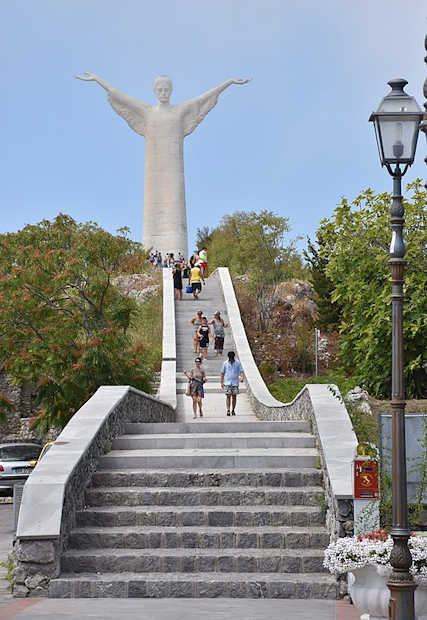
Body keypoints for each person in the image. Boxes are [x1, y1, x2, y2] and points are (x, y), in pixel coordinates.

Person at [220, 351, 244, 416]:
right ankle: (228, 410)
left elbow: (241, 371)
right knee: (228, 396)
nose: (231, 359)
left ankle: (233, 409)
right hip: (227, 382)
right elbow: (222, 373)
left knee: (234, 396)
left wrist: (241, 377)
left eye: (232, 358)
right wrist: (222, 382)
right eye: (230, 358)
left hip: (235, 382)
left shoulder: (237, 363)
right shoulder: (225, 363)